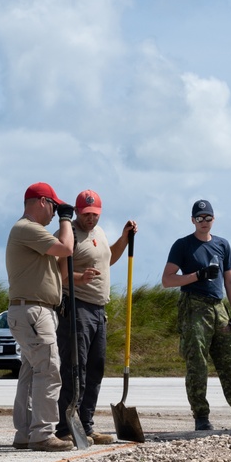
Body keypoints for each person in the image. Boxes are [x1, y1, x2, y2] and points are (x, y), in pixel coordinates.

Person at [162, 199, 231, 431]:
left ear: (213, 219)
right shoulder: (183, 245)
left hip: (219, 308)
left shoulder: (222, 245)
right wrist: (197, 275)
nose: (204, 222)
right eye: (199, 218)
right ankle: (201, 417)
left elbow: (230, 279)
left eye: (208, 218)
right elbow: (167, 280)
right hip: (194, 308)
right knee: (197, 364)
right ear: (192, 220)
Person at [54, 189, 137, 445]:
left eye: (95, 214)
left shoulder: (98, 233)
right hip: (76, 308)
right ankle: (65, 427)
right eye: (87, 214)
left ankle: (87, 425)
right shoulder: (68, 235)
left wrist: (124, 238)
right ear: (78, 211)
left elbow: (107, 258)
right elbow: (58, 274)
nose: (91, 219)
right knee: (74, 368)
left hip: (99, 310)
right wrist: (81, 277)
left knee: (95, 369)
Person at [5, 182, 76, 452]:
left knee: (31, 371)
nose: (55, 212)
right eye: (54, 207)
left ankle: (25, 432)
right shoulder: (27, 229)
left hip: (31, 310)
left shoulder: (31, 234)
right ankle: (43, 433)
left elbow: (60, 268)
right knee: (48, 370)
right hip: (34, 311)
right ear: (42, 202)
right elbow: (66, 249)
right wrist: (67, 219)